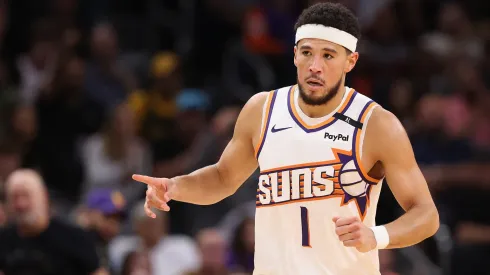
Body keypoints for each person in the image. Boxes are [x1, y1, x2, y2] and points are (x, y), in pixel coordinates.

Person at [133, 3, 439, 275]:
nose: (314, 66)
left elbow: (426, 215)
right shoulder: (261, 110)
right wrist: (176, 186)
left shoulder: (376, 124)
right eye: (307, 53)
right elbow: (223, 178)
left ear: (351, 61)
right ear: (294, 54)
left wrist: (376, 236)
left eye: (328, 55)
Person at [0, 169, 107, 275]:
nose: (21, 204)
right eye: (14, 197)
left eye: (26, 196)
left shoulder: (74, 237)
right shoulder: (3, 240)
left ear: (44, 197)